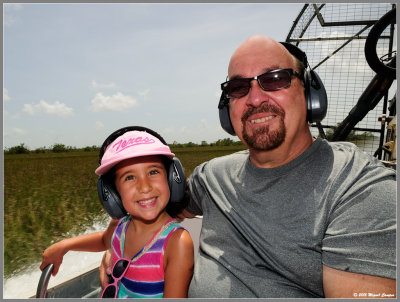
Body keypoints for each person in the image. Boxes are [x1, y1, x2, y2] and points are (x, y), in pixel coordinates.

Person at [101, 35, 396, 298]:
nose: (254, 98)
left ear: (309, 94)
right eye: (239, 87)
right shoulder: (210, 176)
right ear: (227, 110)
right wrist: (120, 248)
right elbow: (152, 206)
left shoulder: (360, 188)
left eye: (276, 79)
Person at [40, 127, 194, 298]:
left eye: (153, 172)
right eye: (129, 177)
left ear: (173, 178)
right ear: (112, 194)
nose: (144, 187)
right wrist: (65, 245)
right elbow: (103, 240)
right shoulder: (120, 225)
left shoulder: (176, 243)